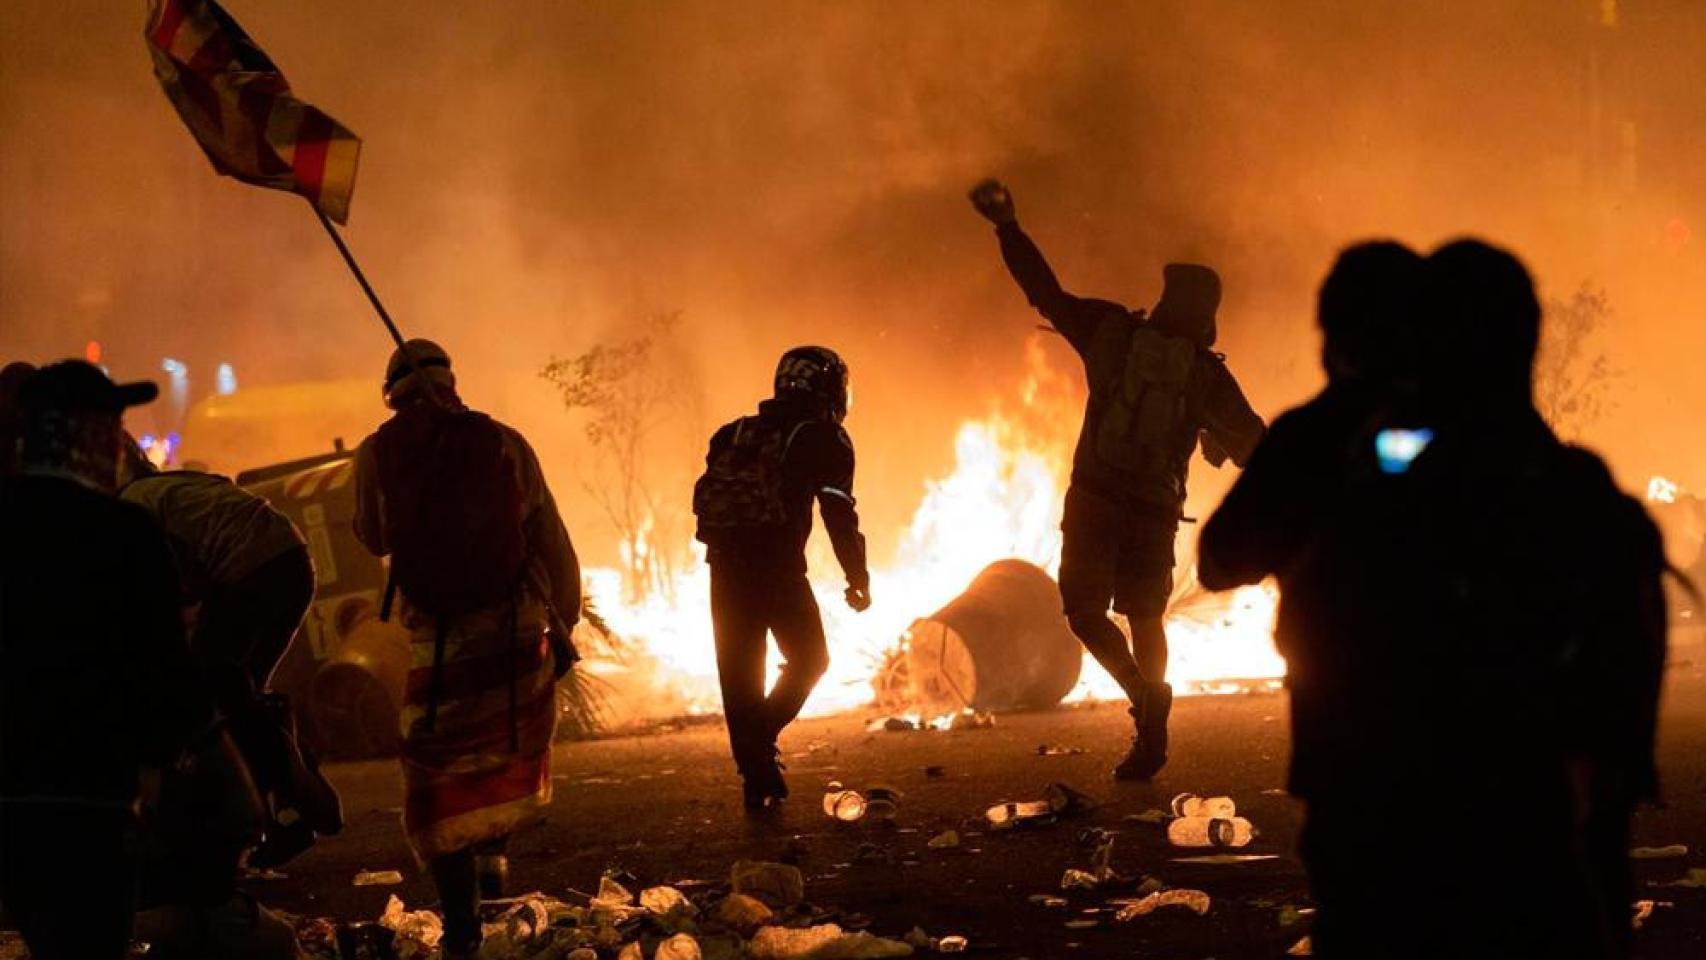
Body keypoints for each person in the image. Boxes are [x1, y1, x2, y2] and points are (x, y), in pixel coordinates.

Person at [1240, 241, 1664, 959]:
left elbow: (1244, 558)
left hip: (1394, 835)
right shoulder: (1581, 496)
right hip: (1532, 847)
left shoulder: (1375, 491)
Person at [969, 179, 1265, 779]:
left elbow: (1044, 292)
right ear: (1209, 315)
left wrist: (1008, 225)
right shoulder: (1208, 378)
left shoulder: (1113, 334)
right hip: (1154, 511)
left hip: (1095, 500)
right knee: (1146, 617)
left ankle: (1140, 694)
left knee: (1083, 612)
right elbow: (1257, 448)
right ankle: (1152, 724)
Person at [353, 339, 581, 960]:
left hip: (440, 639)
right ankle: (495, 856)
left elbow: (373, 537)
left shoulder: (376, 452)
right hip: (513, 626)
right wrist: (567, 619)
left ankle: (462, 929)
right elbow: (547, 532)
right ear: (451, 379)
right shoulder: (504, 440)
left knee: (436, 768)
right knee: (506, 744)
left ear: (391, 391)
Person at [0, 361, 214, 960]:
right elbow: (167, 668)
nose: (120, 442)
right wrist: (212, 759)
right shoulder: (123, 530)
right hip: (93, 797)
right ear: (84, 437)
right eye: (110, 426)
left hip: (11, 801)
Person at [117, 437, 343, 867]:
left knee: (212, 696)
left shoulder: (135, 507)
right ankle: (288, 796)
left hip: (251, 569)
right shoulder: (167, 486)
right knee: (240, 692)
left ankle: (284, 797)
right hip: (291, 560)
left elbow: (172, 584)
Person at [693, 345, 871, 810]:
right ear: (831, 389)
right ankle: (759, 744)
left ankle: (757, 777)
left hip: (725, 568)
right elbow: (838, 511)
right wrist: (858, 575)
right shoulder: (824, 437)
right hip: (777, 569)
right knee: (811, 657)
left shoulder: (732, 433)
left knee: (739, 676)